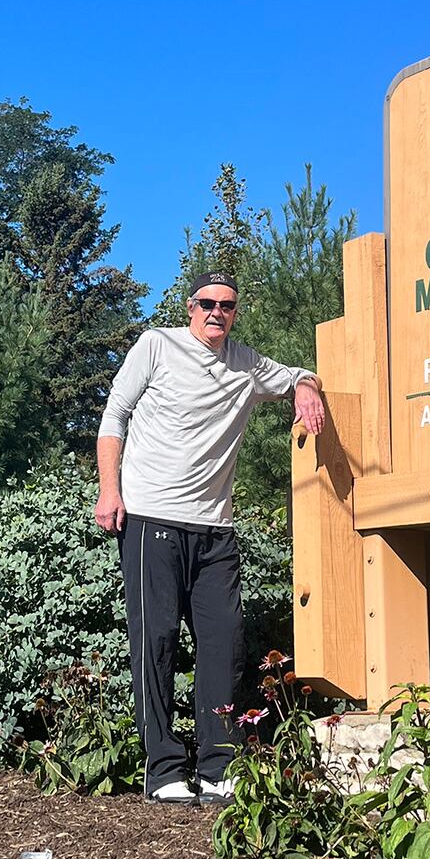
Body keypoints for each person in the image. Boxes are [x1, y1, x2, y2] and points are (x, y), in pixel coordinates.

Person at [95, 273, 326, 803]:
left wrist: (307, 387)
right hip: (152, 520)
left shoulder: (245, 363)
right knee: (156, 642)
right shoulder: (157, 345)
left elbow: (296, 374)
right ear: (190, 307)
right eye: (207, 304)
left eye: (227, 305)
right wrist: (111, 491)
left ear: (235, 313)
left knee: (224, 645)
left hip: (216, 528)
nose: (216, 313)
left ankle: (218, 765)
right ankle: (164, 768)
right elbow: (114, 418)